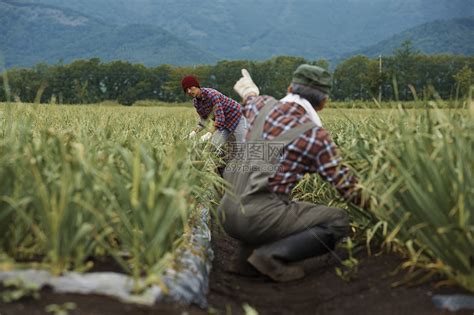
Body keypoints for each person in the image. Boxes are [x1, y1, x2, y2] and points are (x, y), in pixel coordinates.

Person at [218, 65, 366, 282]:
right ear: (323, 102)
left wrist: (249, 90)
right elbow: (348, 188)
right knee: (338, 220)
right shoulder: (316, 136)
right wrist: (386, 208)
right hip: (257, 219)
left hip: (225, 213)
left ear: (289, 88)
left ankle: (244, 259)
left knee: (261, 196)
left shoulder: (261, 106)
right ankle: (271, 257)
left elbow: (250, 98)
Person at [181, 75, 250, 147]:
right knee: (213, 146)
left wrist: (209, 134)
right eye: (186, 90)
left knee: (242, 145)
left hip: (237, 117)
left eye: (190, 88)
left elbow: (220, 118)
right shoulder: (196, 102)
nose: (189, 91)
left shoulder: (212, 95)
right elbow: (204, 120)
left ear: (197, 86)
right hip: (223, 125)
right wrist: (192, 134)